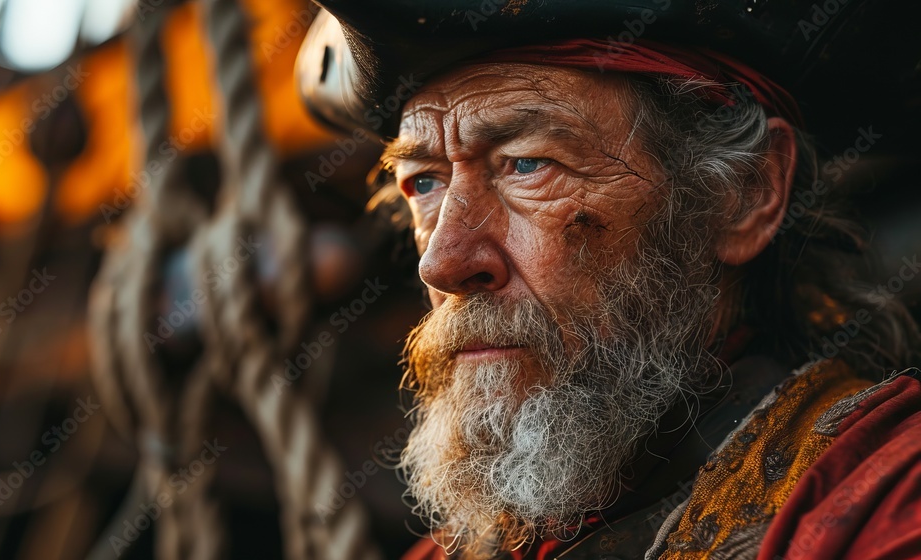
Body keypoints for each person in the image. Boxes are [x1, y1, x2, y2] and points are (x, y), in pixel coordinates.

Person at [297, 2, 921, 558]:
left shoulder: (883, 500)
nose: (444, 263)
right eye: (425, 182)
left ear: (741, 194)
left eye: (526, 164)